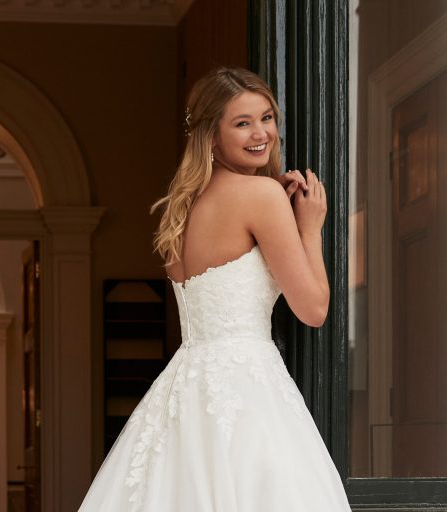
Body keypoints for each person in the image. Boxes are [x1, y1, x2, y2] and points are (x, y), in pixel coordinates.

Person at [77, 67, 352, 511]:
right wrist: (310, 228)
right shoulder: (262, 196)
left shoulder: (179, 210)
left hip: (186, 388)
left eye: (266, 117)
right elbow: (314, 309)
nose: (261, 132)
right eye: (242, 123)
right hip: (248, 389)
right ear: (211, 134)